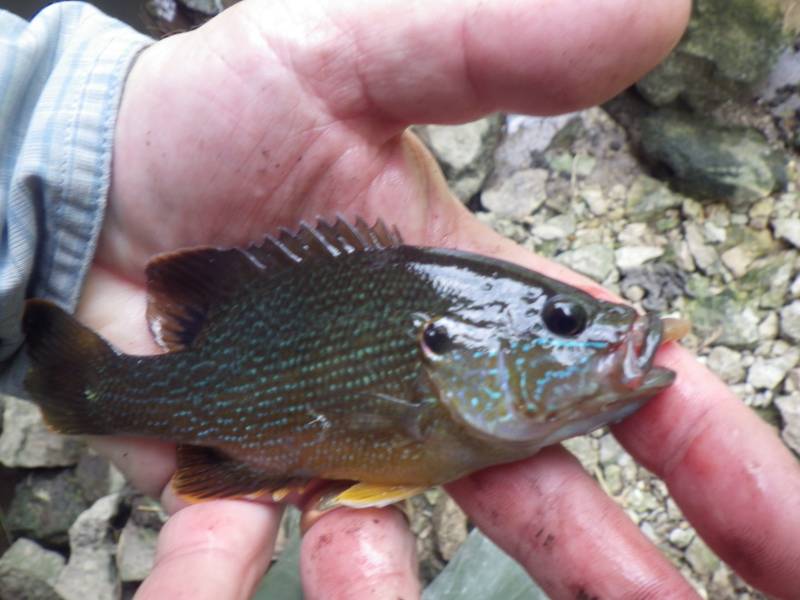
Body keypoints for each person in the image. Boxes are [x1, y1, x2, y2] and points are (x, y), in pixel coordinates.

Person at [1, 1, 798, 598]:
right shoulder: (429, 389)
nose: (594, 335)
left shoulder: (449, 393)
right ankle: (90, 390)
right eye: (563, 320)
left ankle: (88, 388)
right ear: (443, 345)